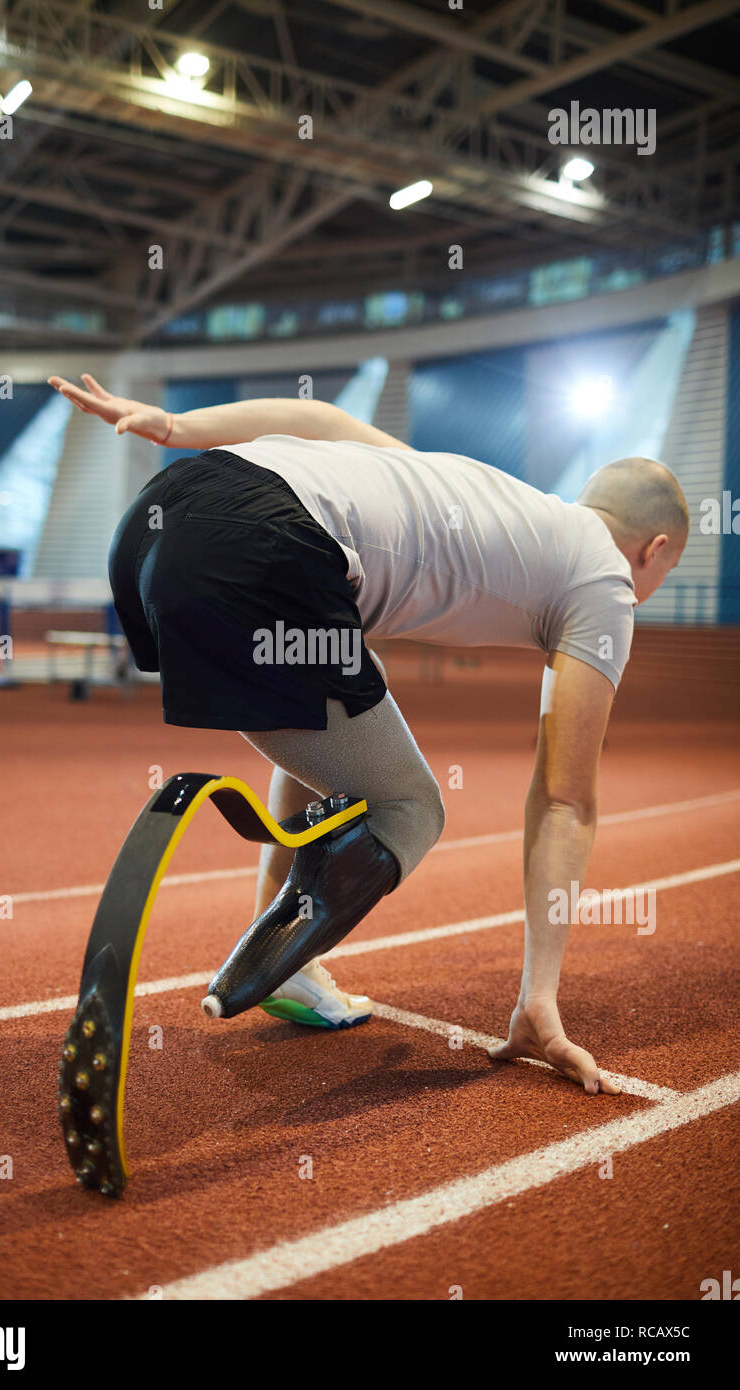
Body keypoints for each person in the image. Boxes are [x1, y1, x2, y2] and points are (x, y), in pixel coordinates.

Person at [49, 374, 689, 1094]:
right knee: (412, 809)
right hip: (257, 553)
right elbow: (566, 799)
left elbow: (318, 416)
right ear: (653, 550)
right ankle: (274, 953)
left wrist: (169, 425)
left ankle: (290, 962)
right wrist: (539, 996)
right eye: (662, 574)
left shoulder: (466, 484)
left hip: (160, 518)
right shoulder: (606, 581)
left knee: (348, 673)